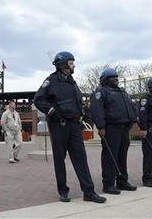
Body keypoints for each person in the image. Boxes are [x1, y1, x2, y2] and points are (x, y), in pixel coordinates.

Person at [34, 51, 106, 204]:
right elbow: (38, 100)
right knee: (60, 159)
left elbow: (78, 102)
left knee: (81, 158)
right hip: (59, 125)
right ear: (62, 64)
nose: (73, 65)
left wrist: (85, 114)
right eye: (71, 62)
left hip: (74, 125)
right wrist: (53, 112)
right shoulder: (50, 80)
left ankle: (89, 192)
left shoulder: (72, 82)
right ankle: (63, 191)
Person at [90, 68, 138, 195]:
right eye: (113, 77)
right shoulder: (101, 92)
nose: (116, 79)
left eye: (117, 77)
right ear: (106, 79)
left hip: (124, 128)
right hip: (111, 129)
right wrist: (101, 127)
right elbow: (97, 110)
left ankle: (122, 181)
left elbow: (131, 107)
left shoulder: (122, 92)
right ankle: (108, 184)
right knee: (110, 157)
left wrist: (133, 119)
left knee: (122, 156)